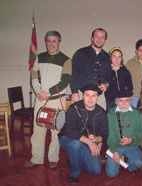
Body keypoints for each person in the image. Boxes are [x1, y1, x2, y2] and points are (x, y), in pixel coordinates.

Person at [25, 31, 72, 169]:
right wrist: (39, 91)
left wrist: (48, 93)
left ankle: (53, 158)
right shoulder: (39, 57)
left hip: (57, 99)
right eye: (48, 41)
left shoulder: (66, 60)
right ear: (46, 42)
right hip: (40, 99)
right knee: (38, 129)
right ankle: (37, 158)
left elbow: (64, 81)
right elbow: (34, 75)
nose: (51, 44)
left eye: (54, 41)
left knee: (55, 131)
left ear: (59, 42)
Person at [58, 84, 109, 184]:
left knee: (95, 171)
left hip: (86, 142)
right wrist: (90, 143)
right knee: (75, 144)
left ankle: (74, 157)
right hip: (67, 139)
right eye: (87, 95)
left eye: (93, 95)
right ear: (83, 96)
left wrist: (96, 139)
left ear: (97, 97)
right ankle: (74, 173)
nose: (90, 99)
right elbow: (70, 131)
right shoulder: (74, 108)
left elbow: (105, 134)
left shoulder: (101, 113)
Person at [106, 90, 142, 178]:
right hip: (116, 146)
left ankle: (127, 166)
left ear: (130, 101)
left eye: (126, 100)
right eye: (120, 100)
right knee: (111, 174)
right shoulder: (111, 114)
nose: (123, 103)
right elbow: (110, 134)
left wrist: (131, 139)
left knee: (139, 163)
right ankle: (118, 161)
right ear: (117, 101)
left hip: (132, 145)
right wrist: (114, 151)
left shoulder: (137, 113)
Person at [70, 28, 112, 110]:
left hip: (99, 96)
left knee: (100, 121)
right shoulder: (80, 53)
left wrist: (106, 84)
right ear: (92, 38)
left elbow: (109, 76)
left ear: (105, 40)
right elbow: (73, 74)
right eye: (97, 36)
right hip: (81, 94)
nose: (99, 39)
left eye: (102, 37)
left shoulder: (107, 57)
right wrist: (74, 93)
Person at [105, 47, 133, 111]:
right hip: (110, 102)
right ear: (110, 58)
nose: (116, 59)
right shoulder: (106, 72)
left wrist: (124, 98)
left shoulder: (125, 72)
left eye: (119, 57)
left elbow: (130, 87)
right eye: (114, 56)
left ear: (121, 58)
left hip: (122, 102)